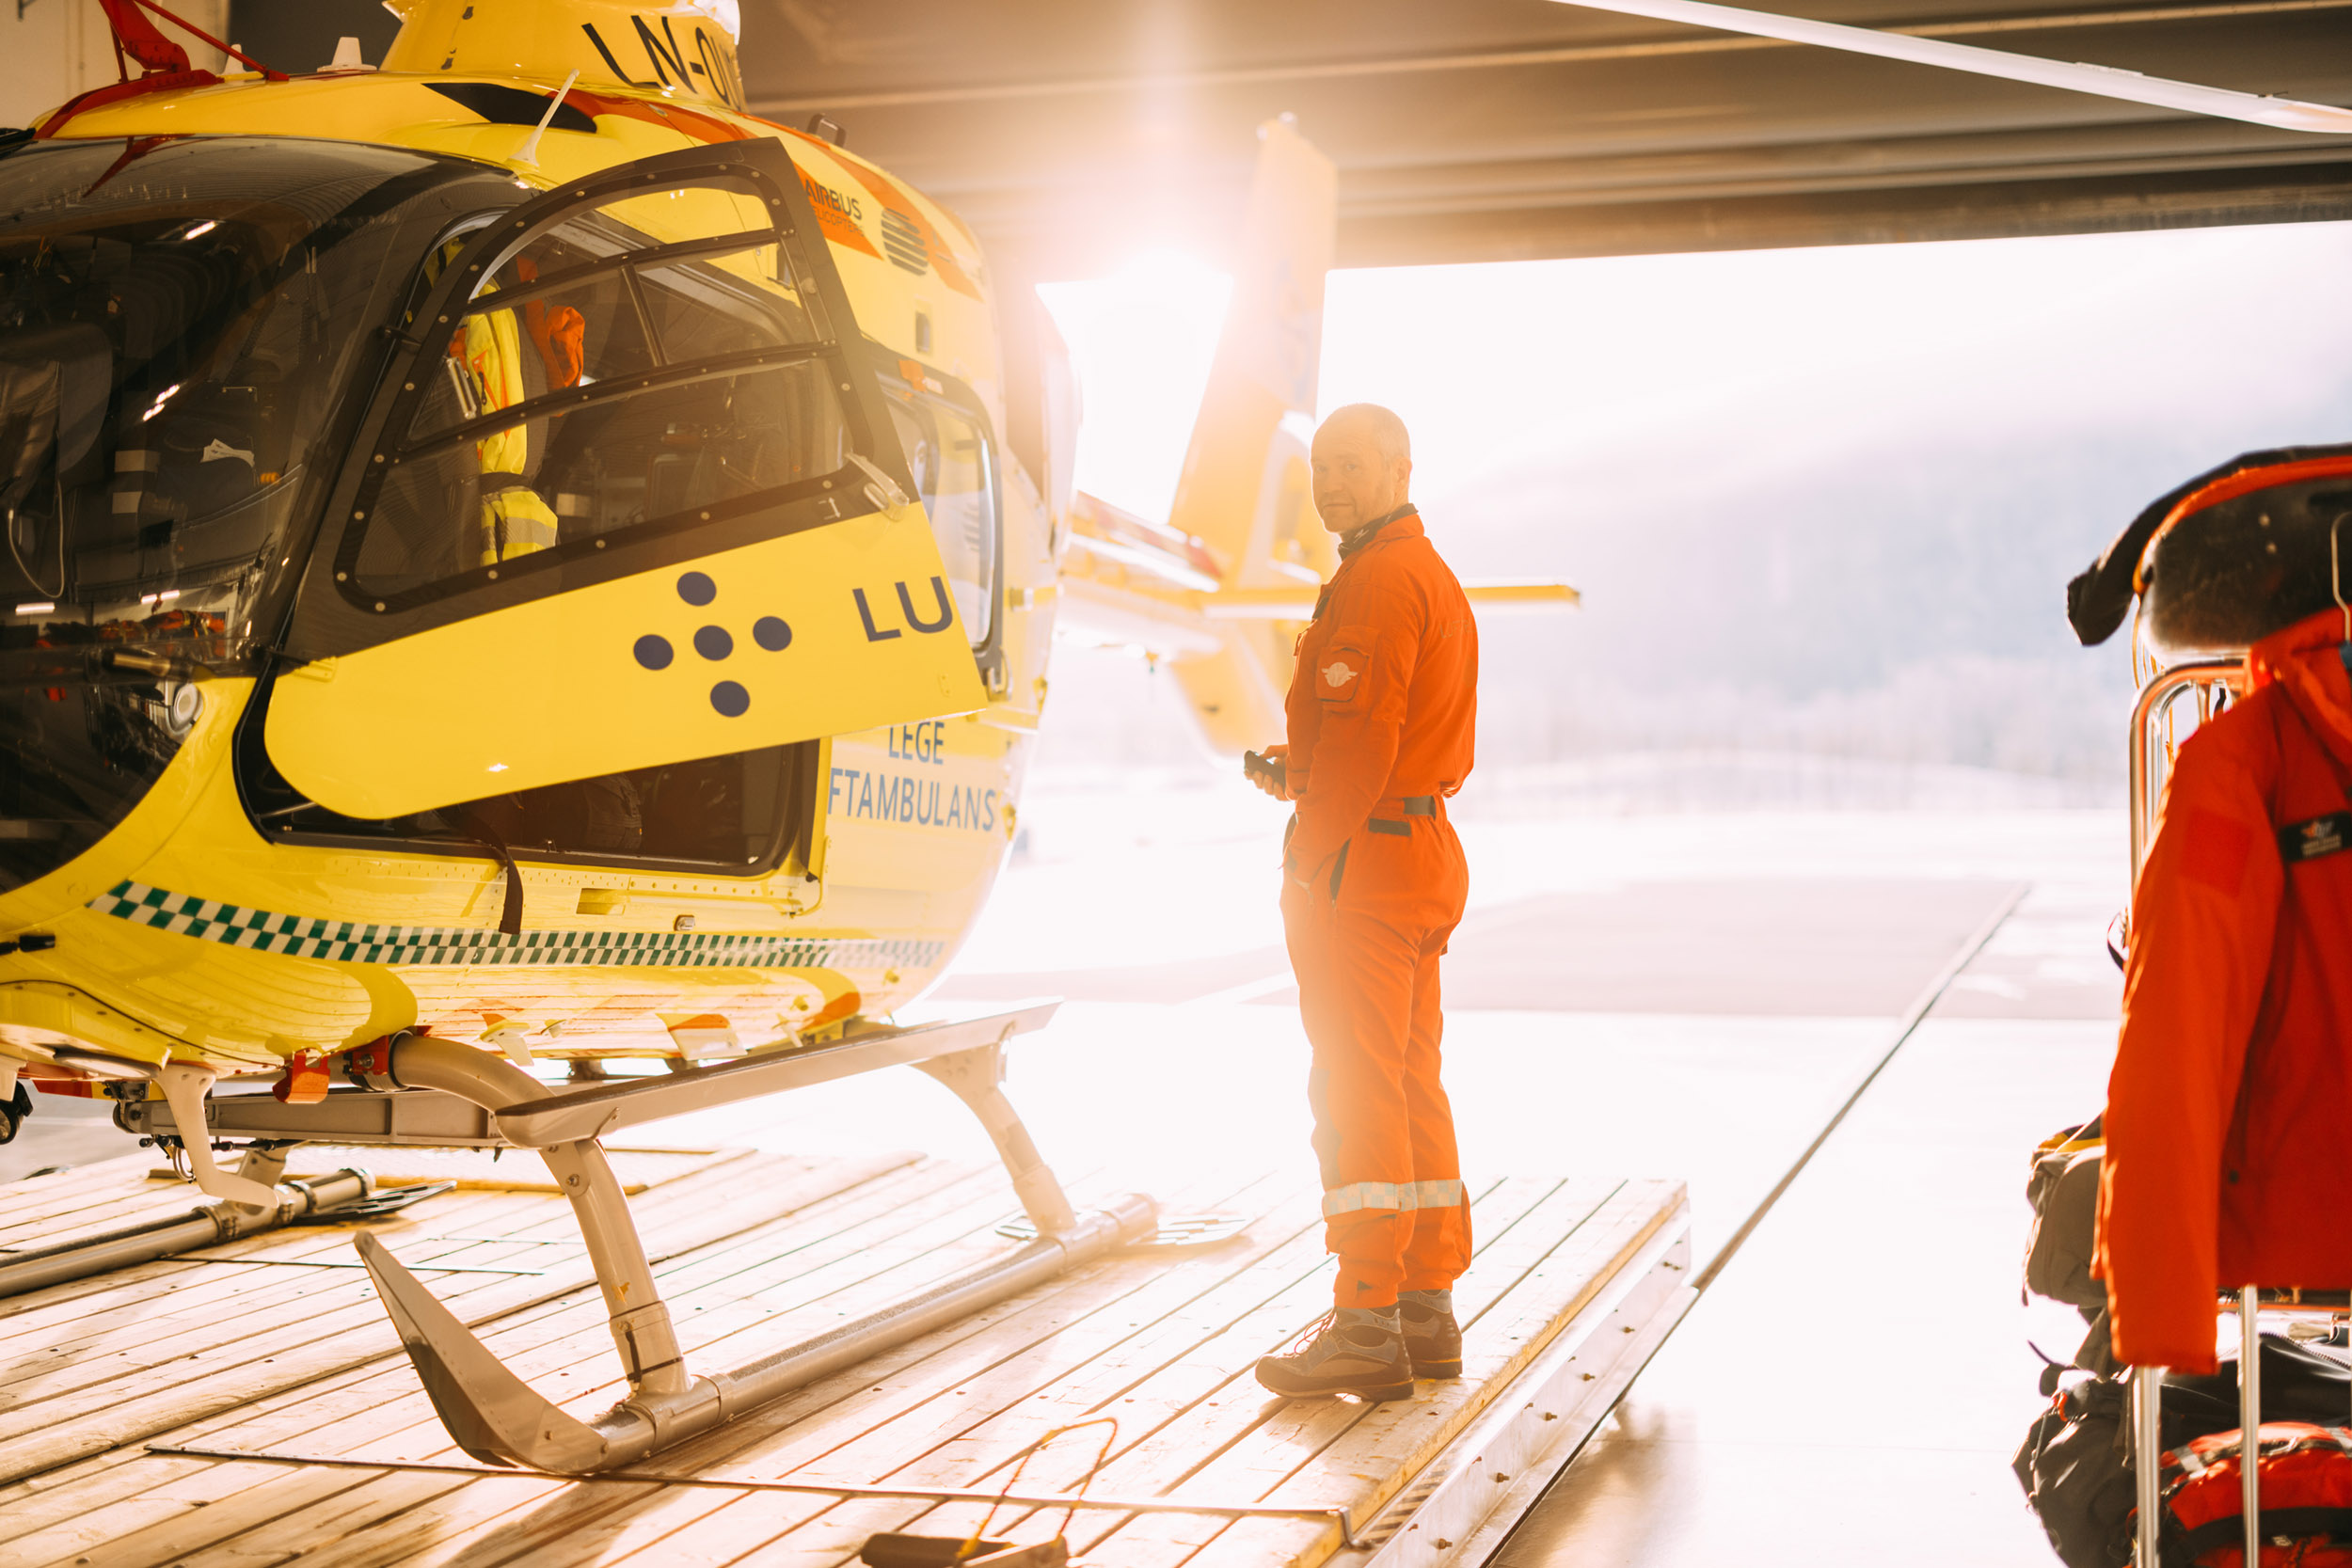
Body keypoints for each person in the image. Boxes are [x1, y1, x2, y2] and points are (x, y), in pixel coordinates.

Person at [1247, 404, 1479, 1402]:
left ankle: (1363, 1322)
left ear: (1398, 468)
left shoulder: (1377, 582)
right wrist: (1300, 767)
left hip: (1364, 863)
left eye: (1350, 464)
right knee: (1409, 1077)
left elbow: (1366, 741)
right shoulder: (1423, 571)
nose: (1330, 481)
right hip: (1418, 844)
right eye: (1320, 467)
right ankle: (1425, 1308)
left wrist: (1310, 849)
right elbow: (1386, 735)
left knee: (1352, 1087)